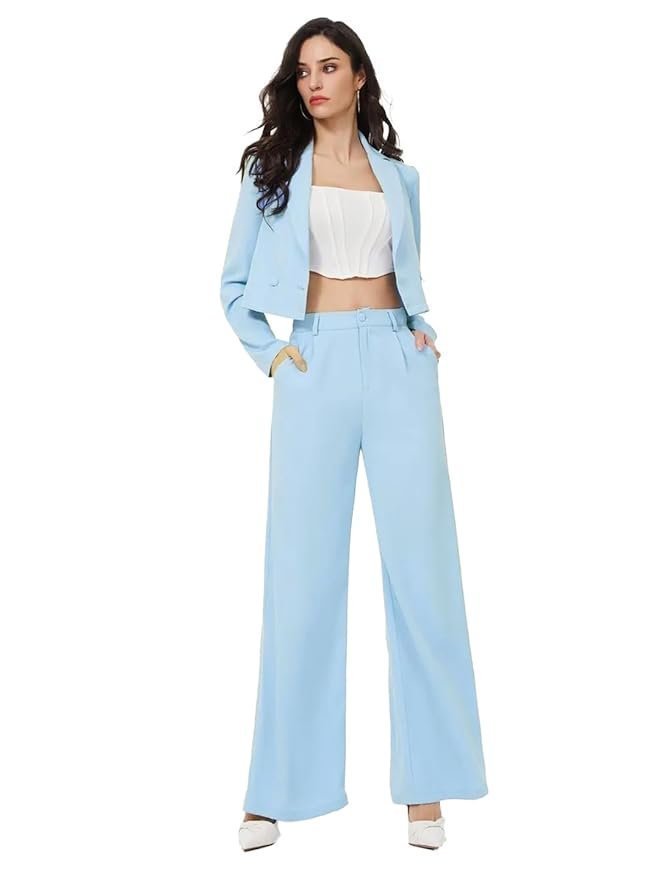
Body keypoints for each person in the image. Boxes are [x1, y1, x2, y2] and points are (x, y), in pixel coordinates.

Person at [220, 18, 489, 852]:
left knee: (424, 575)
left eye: (329, 67)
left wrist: (418, 331)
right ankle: (275, 788)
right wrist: (272, 354)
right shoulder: (272, 172)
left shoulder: (400, 178)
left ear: (359, 76)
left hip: (400, 366)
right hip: (314, 364)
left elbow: (407, 273)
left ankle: (427, 787)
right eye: (303, 71)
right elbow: (232, 286)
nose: (313, 82)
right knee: (299, 579)